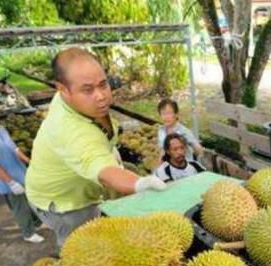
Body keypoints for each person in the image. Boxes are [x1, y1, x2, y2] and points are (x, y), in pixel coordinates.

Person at [26, 48, 167, 247]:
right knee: (81, 249)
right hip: (63, 203)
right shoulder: (69, 130)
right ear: (62, 89)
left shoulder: (75, 99)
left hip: (74, 183)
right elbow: (101, 168)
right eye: (88, 90)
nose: (101, 96)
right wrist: (139, 184)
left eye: (103, 84)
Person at [0, 100, 45, 243]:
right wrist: (11, 183)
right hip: (7, 179)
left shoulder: (1, 129)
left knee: (31, 201)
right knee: (20, 207)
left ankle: (36, 223)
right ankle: (28, 233)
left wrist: (31, 163)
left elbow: (15, 149)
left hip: (21, 173)